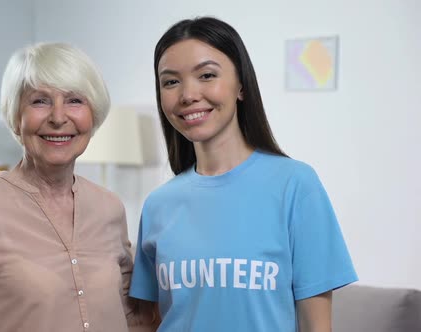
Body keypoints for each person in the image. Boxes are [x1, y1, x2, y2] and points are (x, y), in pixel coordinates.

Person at [129, 17, 358, 331]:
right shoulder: (158, 205)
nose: (187, 95)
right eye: (170, 82)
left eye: (206, 75)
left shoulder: (296, 185)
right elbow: (145, 321)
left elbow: (316, 325)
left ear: (241, 86)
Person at [0, 42, 153, 332]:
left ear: (94, 115)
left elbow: (132, 318)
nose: (58, 117)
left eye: (75, 100)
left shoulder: (109, 208)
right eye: (40, 101)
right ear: (16, 117)